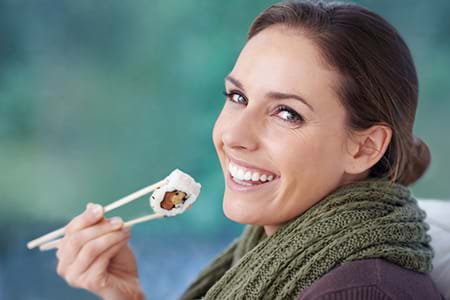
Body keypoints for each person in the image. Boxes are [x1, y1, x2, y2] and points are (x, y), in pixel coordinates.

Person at [54, 1, 445, 299]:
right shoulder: (270, 252)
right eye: (238, 96)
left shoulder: (360, 292)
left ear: (365, 147)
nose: (234, 135)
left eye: (287, 113)